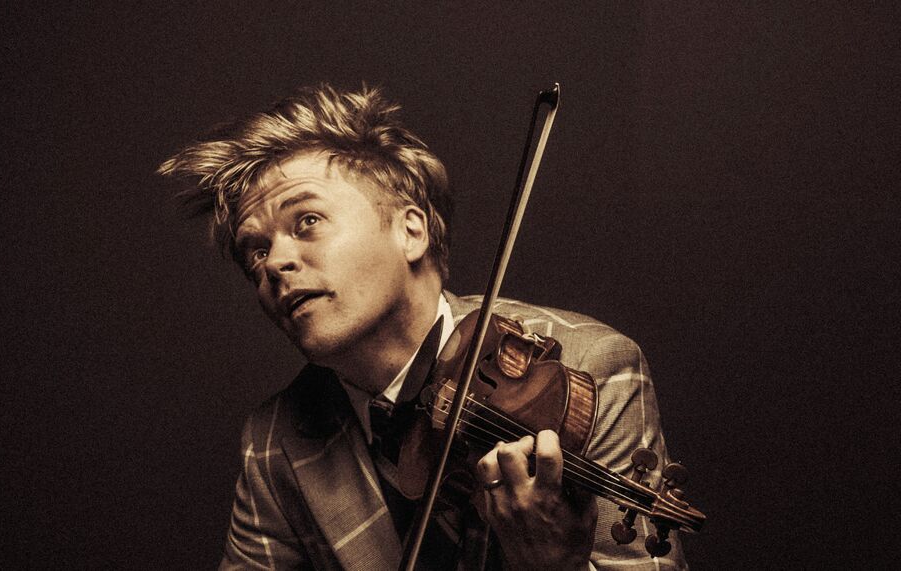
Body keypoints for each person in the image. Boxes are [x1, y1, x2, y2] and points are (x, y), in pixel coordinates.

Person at [159, 84, 689, 570]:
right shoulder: (274, 440)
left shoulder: (588, 370)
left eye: (308, 222)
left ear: (409, 230)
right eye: (256, 251)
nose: (274, 264)